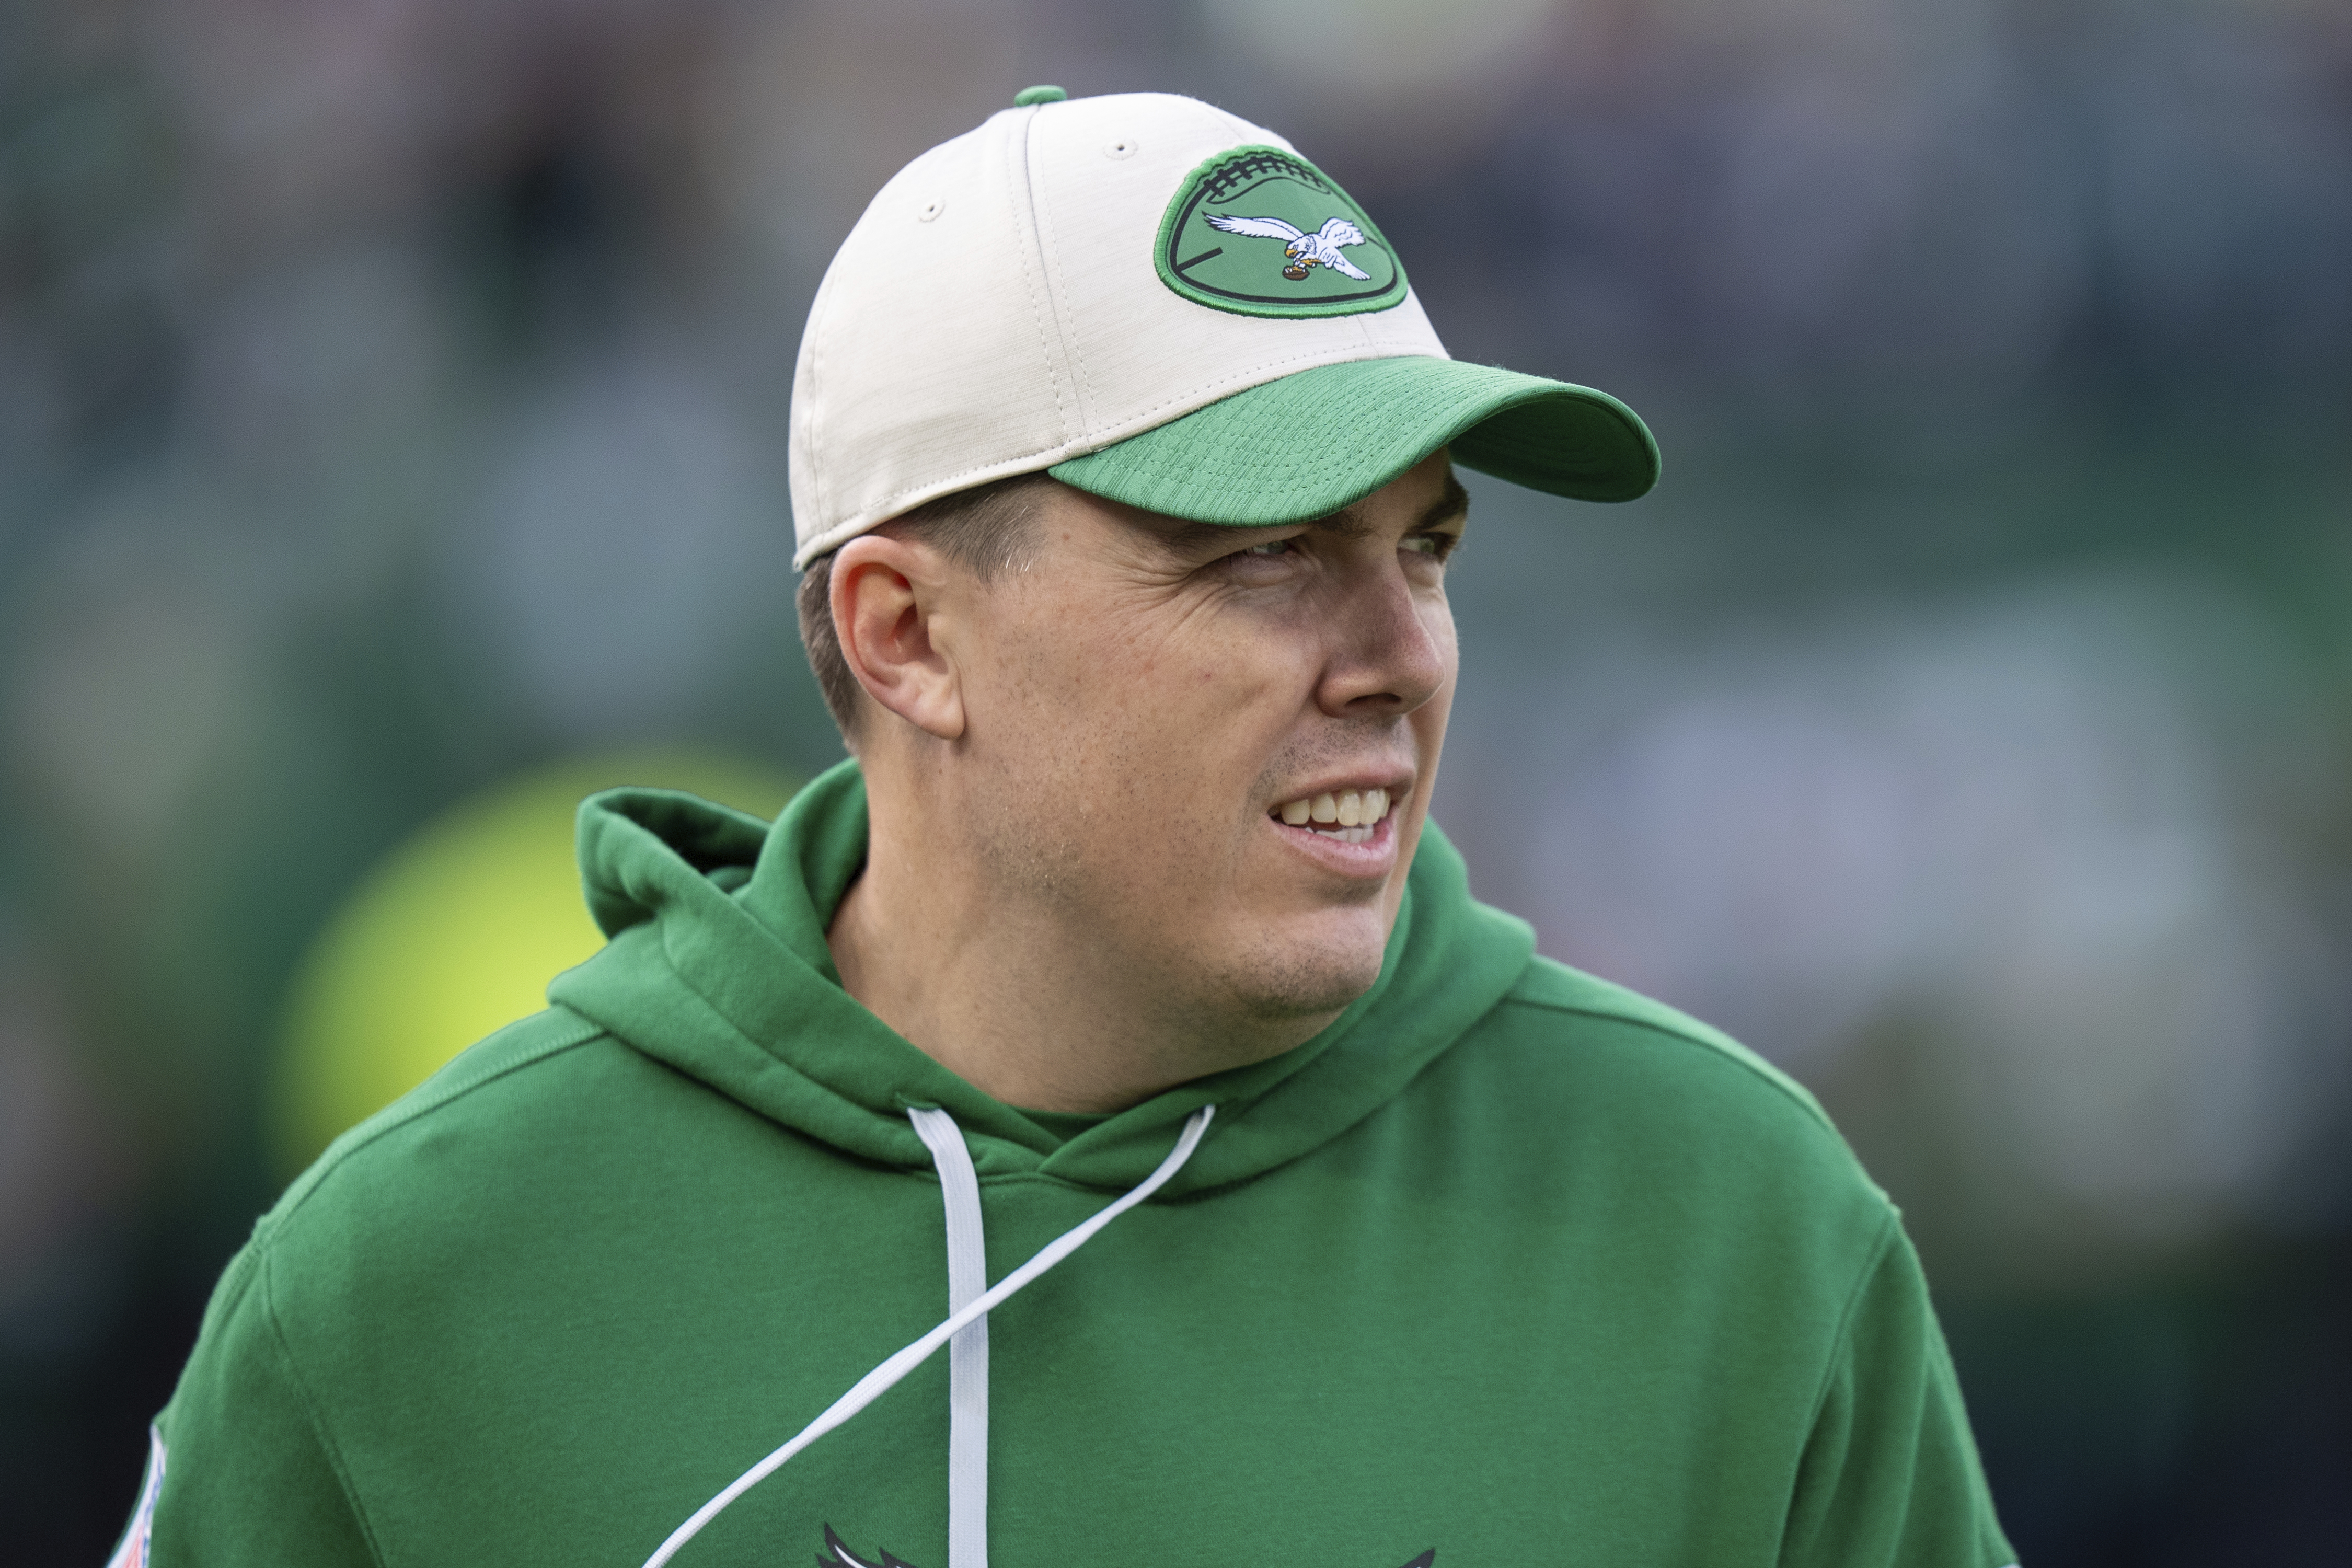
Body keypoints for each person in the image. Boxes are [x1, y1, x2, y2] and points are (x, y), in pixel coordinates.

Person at [114, 89, 2015, 1568]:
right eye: (1265, 556)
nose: (1395, 656)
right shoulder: (408, 1290)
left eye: (1423, 548)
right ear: (907, 634)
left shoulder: (1732, 1230)